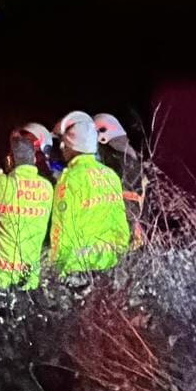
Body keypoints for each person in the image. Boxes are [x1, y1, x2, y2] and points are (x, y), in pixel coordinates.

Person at [50, 111, 134, 275]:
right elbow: (120, 222)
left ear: (69, 146)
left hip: (78, 268)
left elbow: (62, 225)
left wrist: (57, 265)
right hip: (110, 266)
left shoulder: (70, 179)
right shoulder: (110, 175)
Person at [0, 138, 53, 291]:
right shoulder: (47, 187)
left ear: (9, 159)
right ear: (33, 159)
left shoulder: (1, 183)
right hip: (30, 276)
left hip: (0, 275)